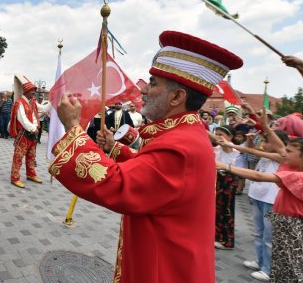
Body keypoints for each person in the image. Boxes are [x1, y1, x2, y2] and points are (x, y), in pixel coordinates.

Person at [50, 31, 243, 283]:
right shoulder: (185, 133)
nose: (143, 90)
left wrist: (74, 128)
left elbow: (119, 185)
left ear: (176, 97)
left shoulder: (181, 145)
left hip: (164, 269)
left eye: (153, 83)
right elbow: (151, 173)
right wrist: (114, 148)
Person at [217, 136, 303, 282]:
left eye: (289, 151)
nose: (283, 153)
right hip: (286, 225)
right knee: (283, 266)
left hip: (291, 227)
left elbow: (258, 175)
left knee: (290, 269)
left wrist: (226, 166)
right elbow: (280, 148)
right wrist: (265, 126)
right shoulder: (299, 168)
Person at [217, 106, 289, 282]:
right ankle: (260, 261)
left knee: (268, 236)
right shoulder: (266, 153)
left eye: (268, 140)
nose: (264, 143)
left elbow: (252, 152)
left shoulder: (282, 156)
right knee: (258, 232)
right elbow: (252, 151)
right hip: (257, 196)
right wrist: (250, 138)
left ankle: (268, 268)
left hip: (271, 201)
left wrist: (264, 125)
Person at [8, 76, 41, 188]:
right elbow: (22, 119)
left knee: (31, 156)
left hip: (32, 134)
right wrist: (33, 128)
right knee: (18, 156)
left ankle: (31, 174)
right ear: (26, 90)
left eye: (35, 90)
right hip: (23, 134)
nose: (34, 92)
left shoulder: (32, 102)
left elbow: (36, 115)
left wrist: (35, 126)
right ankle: (15, 178)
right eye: (32, 90)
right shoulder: (19, 103)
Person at [212, 125, 241, 250]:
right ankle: (216, 236)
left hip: (229, 183)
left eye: (221, 134)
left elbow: (239, 171)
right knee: (215, 209)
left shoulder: (238, 152)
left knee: (227, 210)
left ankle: (227, 240)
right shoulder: (215, 149)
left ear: (230, 137)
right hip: (216, 181)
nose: (218, 137)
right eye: (216, 134)